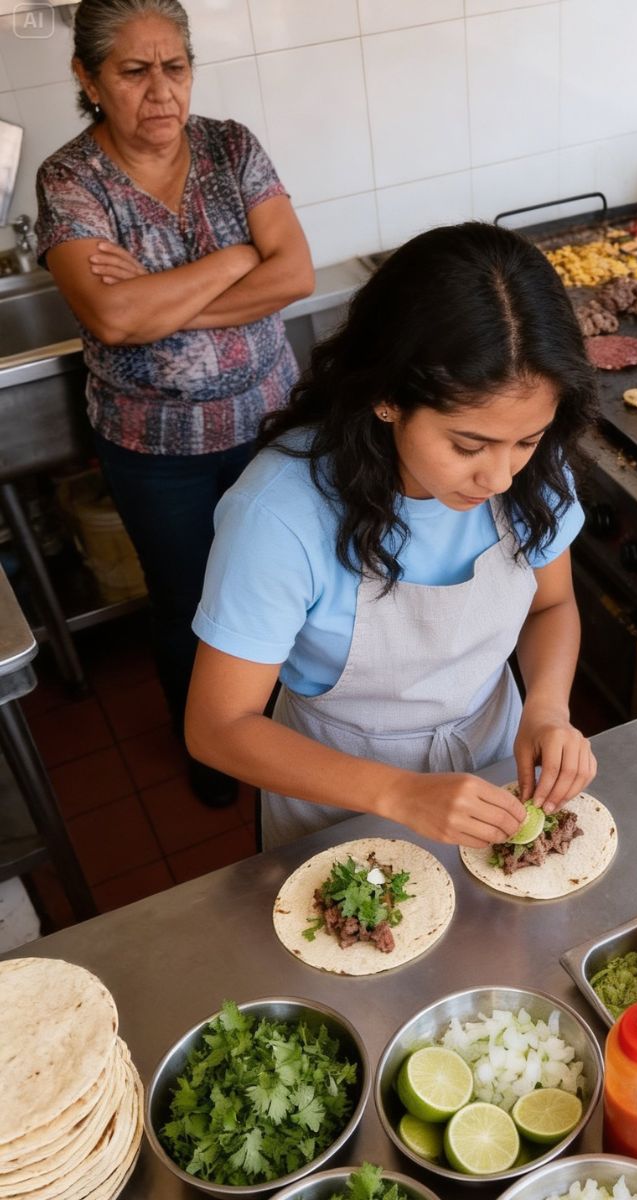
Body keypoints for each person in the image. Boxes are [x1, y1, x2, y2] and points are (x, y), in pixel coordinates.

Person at [185, 222, 599, 850]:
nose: (499, 476)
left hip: (494, 762)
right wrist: (399, 794)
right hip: (340, 798)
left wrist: (545, 709)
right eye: (468, 445)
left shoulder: (532, 470)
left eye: (528, 439)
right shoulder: (278, 514)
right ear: (387, 397)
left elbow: (551, 603)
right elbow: (218, 726)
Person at [34, 0, 314, 807]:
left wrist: (157, 298)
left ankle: (285, 735)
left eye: (175, 67)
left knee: (285, 584)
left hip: (270, 424)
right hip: (156, 453)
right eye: (133, 71)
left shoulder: (232, 146)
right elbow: (111, 317)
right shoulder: (72, 180)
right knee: (191, 604)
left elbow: (293, 275)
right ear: (88, 78)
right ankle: (215, 753)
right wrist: (236, 258)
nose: (160, 92)